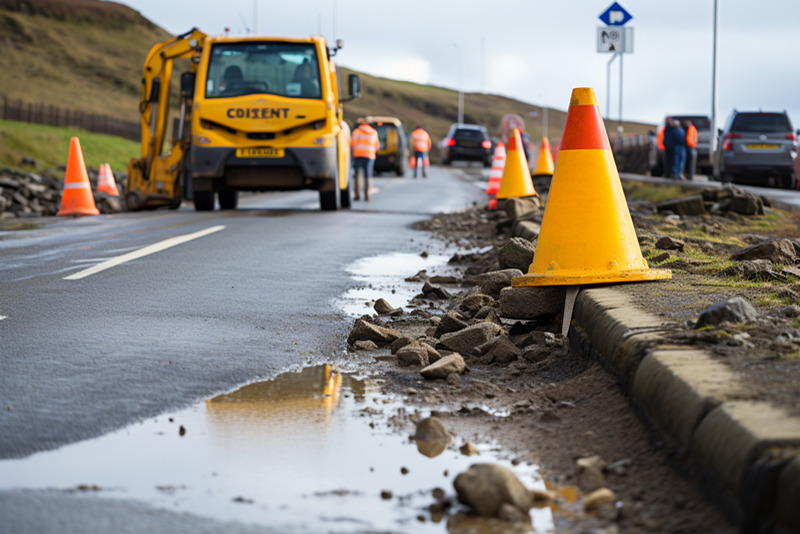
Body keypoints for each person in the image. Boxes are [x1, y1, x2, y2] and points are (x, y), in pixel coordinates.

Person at [351, 118, 379, 201]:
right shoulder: (373, 132)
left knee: (357, 175)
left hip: (358, 155)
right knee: (368, 175)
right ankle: (367, 195)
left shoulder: (356, 132)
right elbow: (376, 145)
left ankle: (357, 195)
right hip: (369, 156)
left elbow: (352, 143)